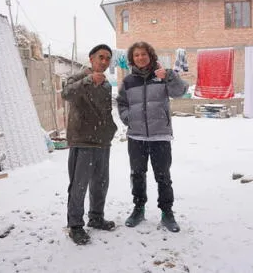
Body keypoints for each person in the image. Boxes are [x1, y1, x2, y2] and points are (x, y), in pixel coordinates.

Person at [116, 41, 188, 232]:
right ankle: (138, 208)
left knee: (163, 176)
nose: (140, 57)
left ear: (150, 56)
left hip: (160, 136)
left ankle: (167, 212)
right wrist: (127, 118)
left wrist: (170, 76)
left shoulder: (162, 75)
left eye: (144, 54)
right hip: (136, 137)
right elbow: (121, 103)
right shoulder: (129, 81)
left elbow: (180, 92)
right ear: (132, 59)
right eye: (136, 55)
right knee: (137, 174)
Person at [61, 44, 118, 245]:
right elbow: (66, 94)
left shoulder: (107, 84)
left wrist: (111, 129)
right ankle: (75, 225)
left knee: (101, 183)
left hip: (103, 141)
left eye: (107, 58)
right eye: (101, 57)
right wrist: (87, 80)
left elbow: (106, 111)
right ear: (91, 58)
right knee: (79, 185)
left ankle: (96, 217)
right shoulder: (77, 77)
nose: (104, 61)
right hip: (82, 140)